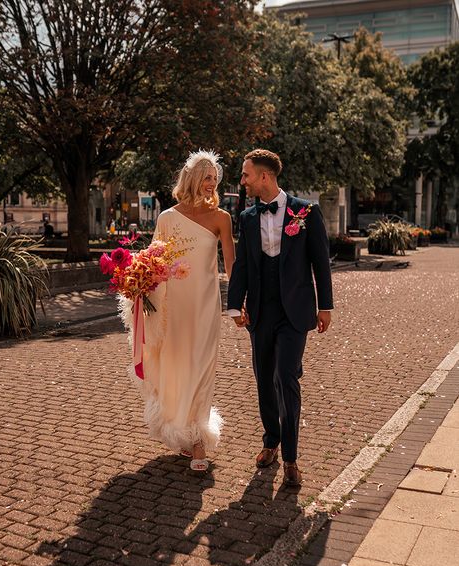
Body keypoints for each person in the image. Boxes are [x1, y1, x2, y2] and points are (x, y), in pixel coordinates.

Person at [123, 150, 235, 471]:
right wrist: (137, 284)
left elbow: (232, 265)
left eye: (214, 178)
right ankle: (182, 430)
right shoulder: (167, 218)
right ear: (192, 179)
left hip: (205, 306)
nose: (211, 184)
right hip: (174, 308)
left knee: (202, 367)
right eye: (206, 177)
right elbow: (154, 262)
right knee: (177, 367)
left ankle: (199, 442)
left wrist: (242, 300)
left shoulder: (222, 219)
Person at [227, 149, 333, 487]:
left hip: (296, 310)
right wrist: (234, 305)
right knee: (263, 379)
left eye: (245, 175)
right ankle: (271, 439)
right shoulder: (246, 217)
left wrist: (325, 305)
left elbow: (321, 261)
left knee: (286, 378)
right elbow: (242, 265)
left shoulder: (305, 211)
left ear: (264, 176)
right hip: (261, 309)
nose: (241, 180)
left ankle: (290, 458)